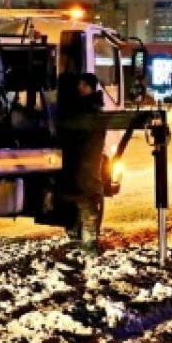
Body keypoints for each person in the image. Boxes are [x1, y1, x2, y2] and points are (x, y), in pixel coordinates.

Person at [56, 72, 107, 255]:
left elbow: (84, 139)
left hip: (86, 165)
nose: (80, 88)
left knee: (87, 203)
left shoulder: (89, 111)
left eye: (84, 85)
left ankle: (90, 245)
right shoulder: (85, 108)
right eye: (79, 84)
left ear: (91, 88)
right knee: (81, 202)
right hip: (81, 165)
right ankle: (83, 241)